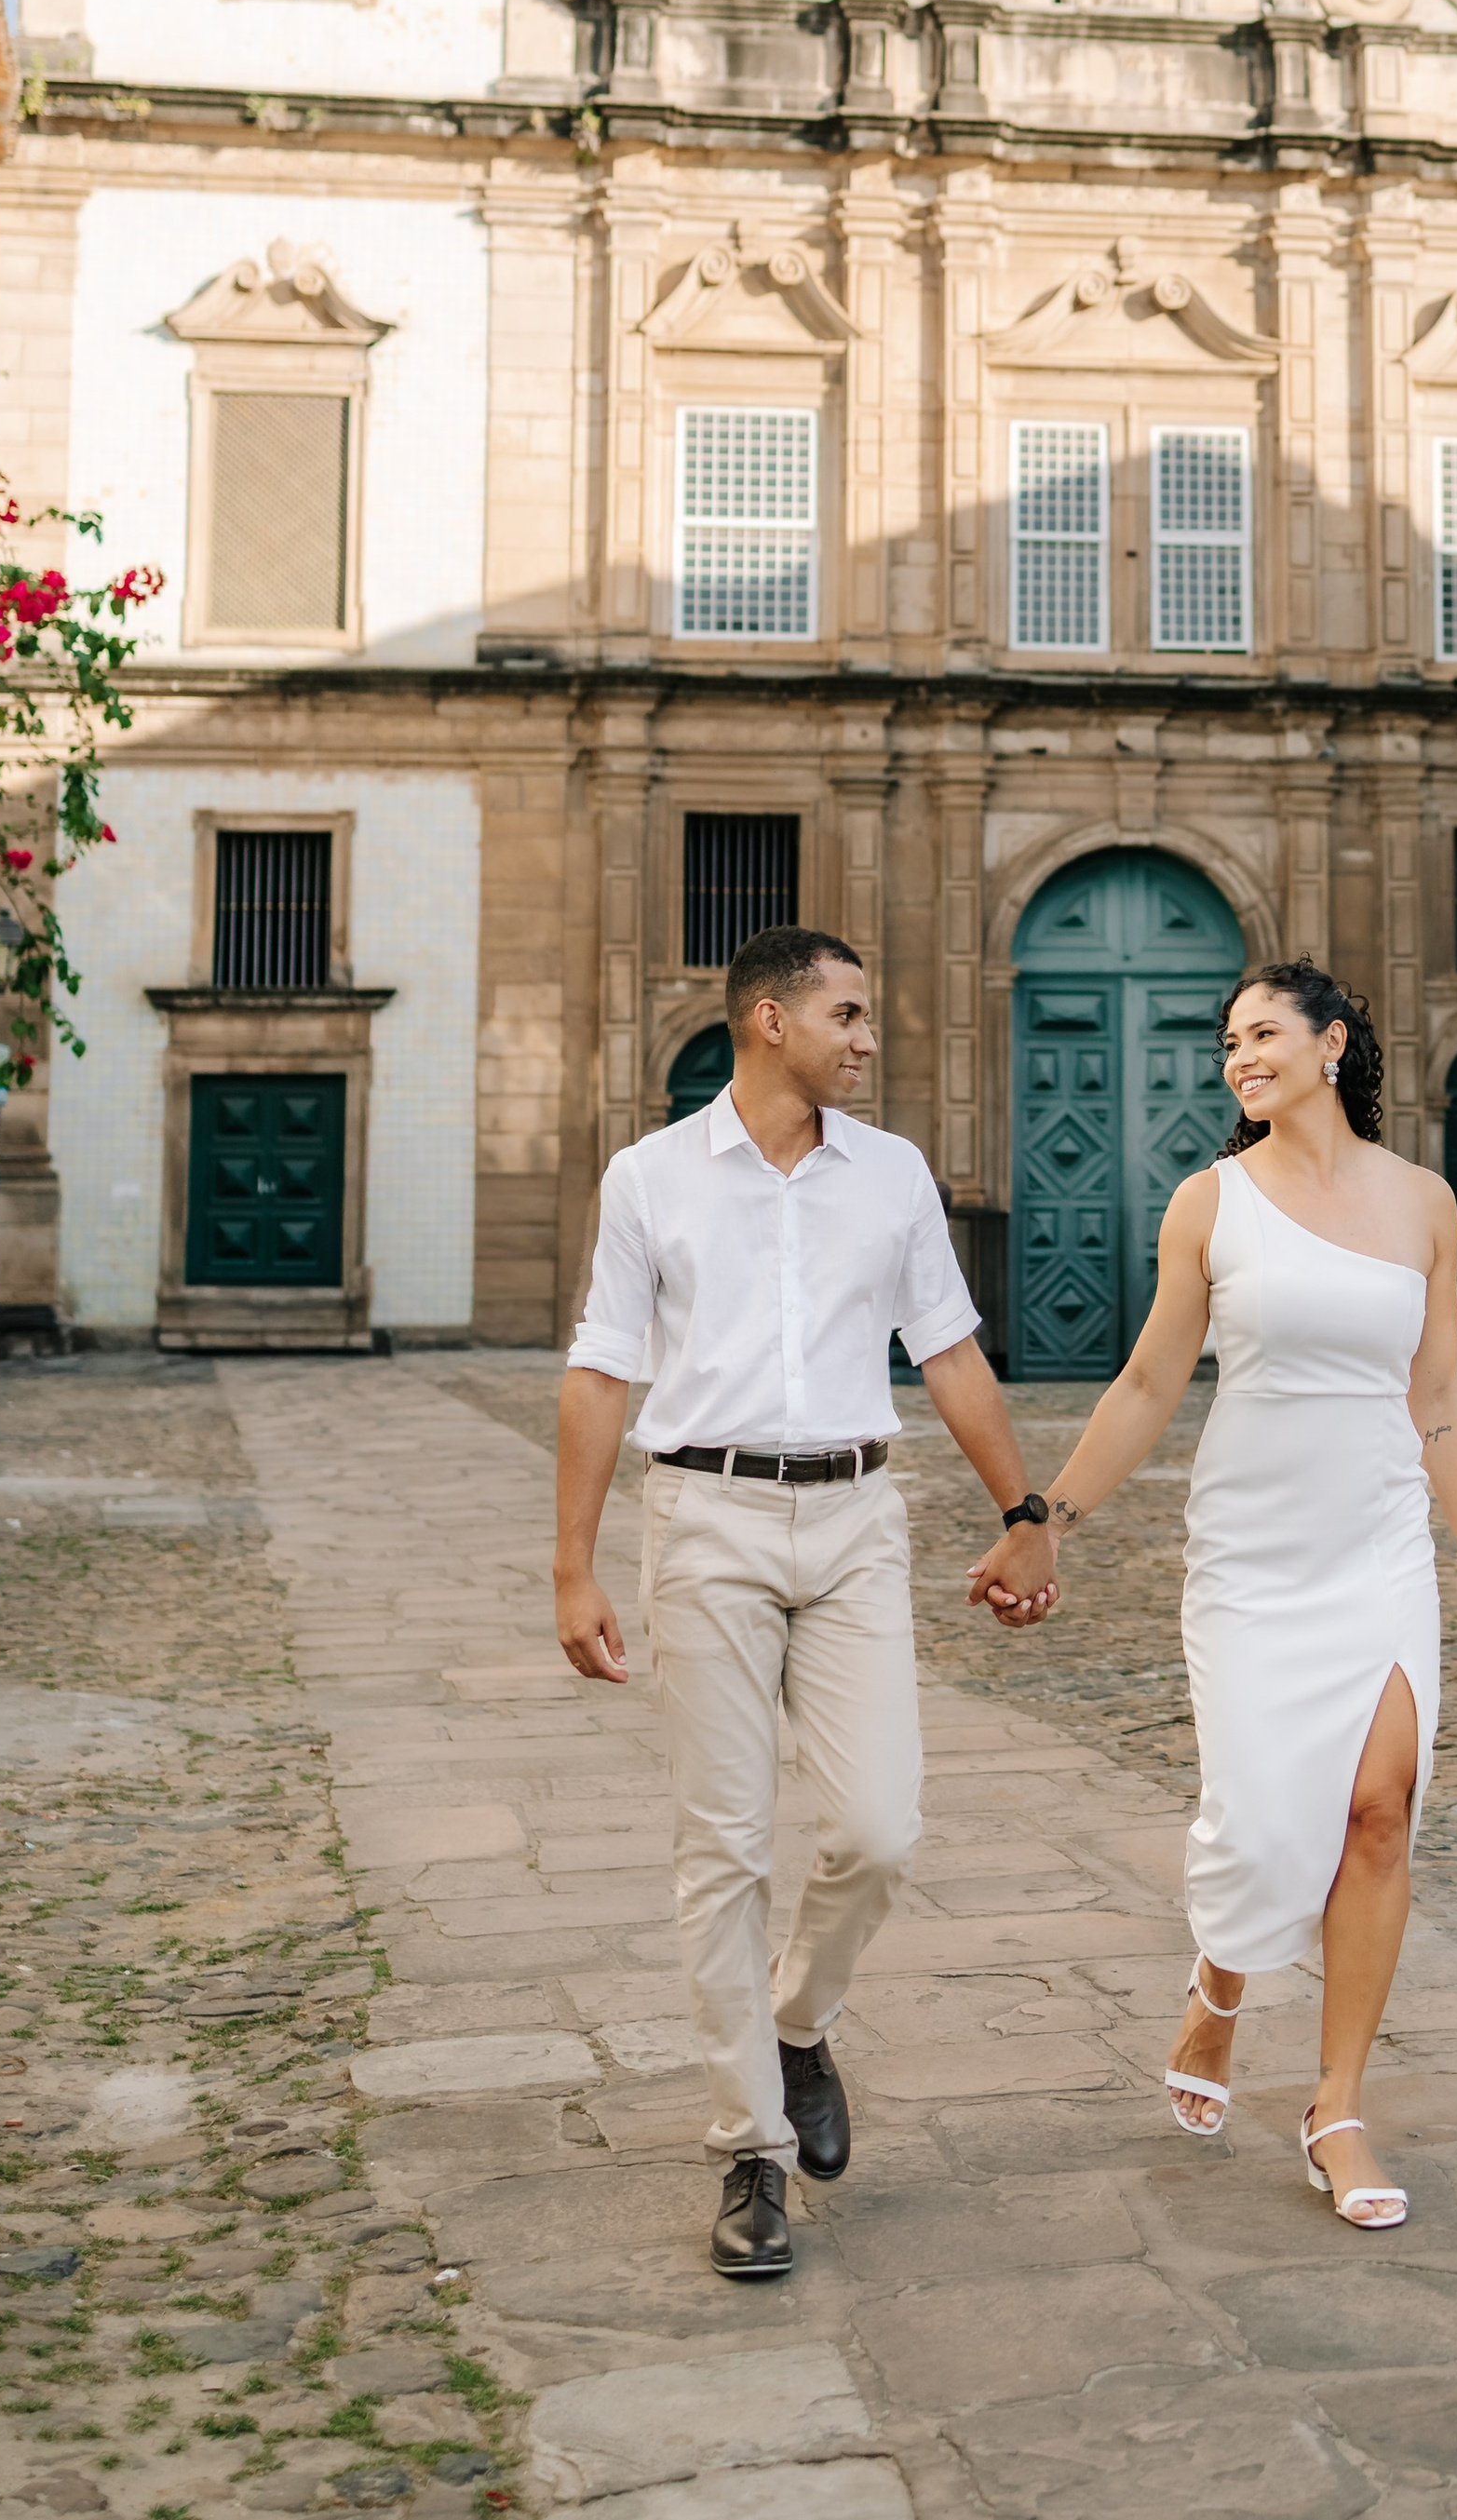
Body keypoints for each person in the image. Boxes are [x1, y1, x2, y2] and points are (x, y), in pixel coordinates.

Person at [553, 926, 1055, 2284]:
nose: (868, 1036)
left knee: (881, 1825)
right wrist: (573, 1563)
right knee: (722, 1845)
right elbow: (603, 1371)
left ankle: (798, 2016)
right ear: (769, 1021)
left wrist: (1025, 1513)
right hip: (704, 1515)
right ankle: (750, 2151)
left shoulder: (889, 1175)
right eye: (847, 1012)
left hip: (853, 1516)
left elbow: (948, 1352)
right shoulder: (651, 1177)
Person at [969, 960, 1457, 2230]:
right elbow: (1152, 1381)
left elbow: (1438, 1396)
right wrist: (1050, 1518)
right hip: (1254, 1554)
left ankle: (1337, 2107)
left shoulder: (1423, 1201)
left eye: (1263, 1032)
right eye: (1228, 1041)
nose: (1239, 1055)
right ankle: (1219, 1988)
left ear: (1334, 1042)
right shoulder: (1211, 1203)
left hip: (1377, 1540)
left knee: (1381, 1810)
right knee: (1267, 1825)